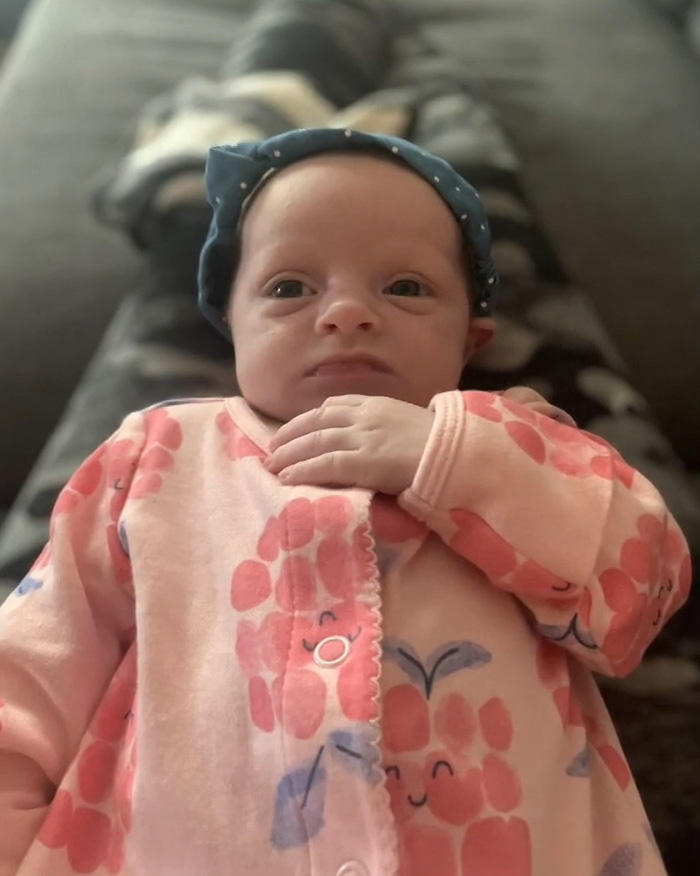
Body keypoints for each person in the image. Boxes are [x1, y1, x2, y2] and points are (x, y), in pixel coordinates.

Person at [0, 127, 691, 876]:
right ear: (230, 326)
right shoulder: (158, 455)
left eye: (405, 287)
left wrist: (449, 457)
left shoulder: (525, 447)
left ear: (470, 341)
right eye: (289, 287)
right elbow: (31, 674)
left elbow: (640, 594)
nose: (346, 314)